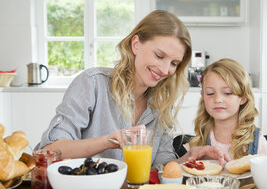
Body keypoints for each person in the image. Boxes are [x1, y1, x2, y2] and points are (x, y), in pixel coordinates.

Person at [35, 10, 196, 167]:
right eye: (159, 56)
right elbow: (49, 151)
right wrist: (109, 141)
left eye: (174, 63)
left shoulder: (161, 104)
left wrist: (190, 158)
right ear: (136, 45)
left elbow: (163, 168)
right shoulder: (93, 84)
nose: (164, 69)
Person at [184, 58, 267, 165]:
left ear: (243, 98)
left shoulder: (257, 142)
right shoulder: (197, 143)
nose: (217, 99)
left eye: (227, 93)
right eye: (210, 93)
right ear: (203, 96)